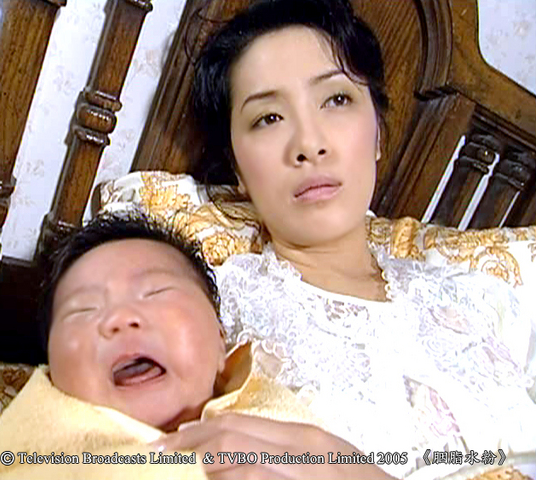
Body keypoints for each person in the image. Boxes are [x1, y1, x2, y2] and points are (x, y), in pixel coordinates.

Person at [155, 0, 536, 479]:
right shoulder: (217, 317)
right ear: (238, 172)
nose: (309, 144)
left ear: (377, 135)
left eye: (336, 100)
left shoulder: (484, 297)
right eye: (268, 118)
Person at [0, 213, 328, 480]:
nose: (119, 319)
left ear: (221, 342)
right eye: (83, 310)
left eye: (156, 292)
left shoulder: (287, 427)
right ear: (53, 376)